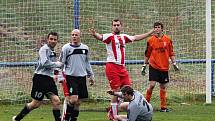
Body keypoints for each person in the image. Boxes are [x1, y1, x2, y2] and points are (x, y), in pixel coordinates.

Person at [89, 19, 154, 120]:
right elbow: (100, 37)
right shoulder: (109, 36)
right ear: (112, 27)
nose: (116, 27)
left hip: (122, 68)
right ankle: (113, 115)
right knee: (116, 90)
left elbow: (136, 37)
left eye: (118, 25)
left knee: (128, 89)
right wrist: (94, 34)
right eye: (114, 25)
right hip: (112, 66)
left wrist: (150, 33)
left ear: (121, 26)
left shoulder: (124, 37)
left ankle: (113, 110)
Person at [12, 32, 64, 121]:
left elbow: (53, 66)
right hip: (40, 78)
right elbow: (45, 63)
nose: (53, 41)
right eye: (51, 39)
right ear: (47, 39)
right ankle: (17, 118)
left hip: (49, 79)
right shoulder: (44, 49)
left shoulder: (53, 51)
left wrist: (56, 74)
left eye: (55, 39)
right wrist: (57, 64)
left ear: (57, 41)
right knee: (35, 104)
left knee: (56, 101)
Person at [141, 22, 179, 112]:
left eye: (158, 27)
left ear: (162, 29)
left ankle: (163, 107)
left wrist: (174, 64)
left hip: (164, 67)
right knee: (152, 85)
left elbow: (171, 53)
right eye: (155, 27)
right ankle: (145, 106)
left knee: (163, 87)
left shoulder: (168, 39)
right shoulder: (150, 40)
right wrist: (144, 65)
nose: (157, 29)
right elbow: (147, 54)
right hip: (153, 66)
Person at [59, 29, 95, 121]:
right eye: (72, 35)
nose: (74, 36)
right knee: (73, 99)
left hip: (82, 77)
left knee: (78, 102)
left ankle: (73, 119)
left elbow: (87, 62)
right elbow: (61, 63)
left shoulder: (85, 48)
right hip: (70, 77)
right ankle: (66, 118)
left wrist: (90, 75)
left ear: (80, 36)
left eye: (76, 35)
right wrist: (59, 75)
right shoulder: (66, 48)